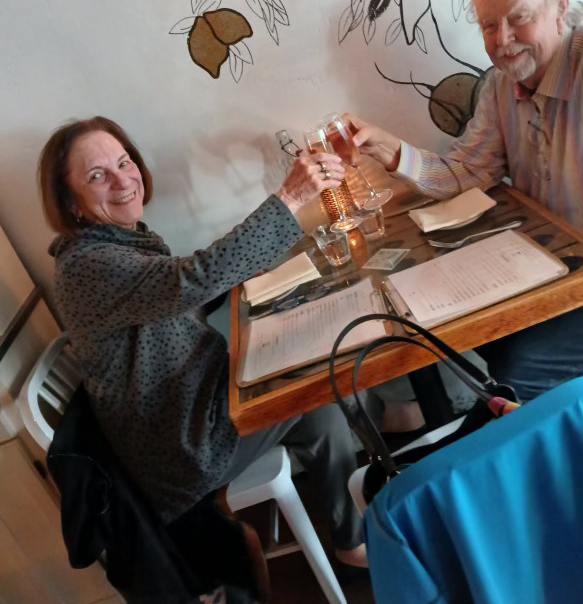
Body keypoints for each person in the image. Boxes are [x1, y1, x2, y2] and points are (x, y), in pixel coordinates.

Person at [37, 115, 368, 582]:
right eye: (97, 175)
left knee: (318, 388)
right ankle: (355, 533)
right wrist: (291, 197)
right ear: (70, 202)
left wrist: (248, 271)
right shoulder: (86, 266)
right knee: (319, 379)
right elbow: (189, 280)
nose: (122, 180)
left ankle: (352, 529)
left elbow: (175, 295)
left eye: (124, 162)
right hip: (188, 442)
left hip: (201, 402)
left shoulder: (118, 241)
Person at [345, 0, 583, 403]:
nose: (503, 41)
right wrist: (389, 151)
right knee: (454, 326)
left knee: (517, 365)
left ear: (560, 8)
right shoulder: (500, 86)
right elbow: (467, 171)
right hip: (551, 270)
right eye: (488, 26)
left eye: (519, 19)